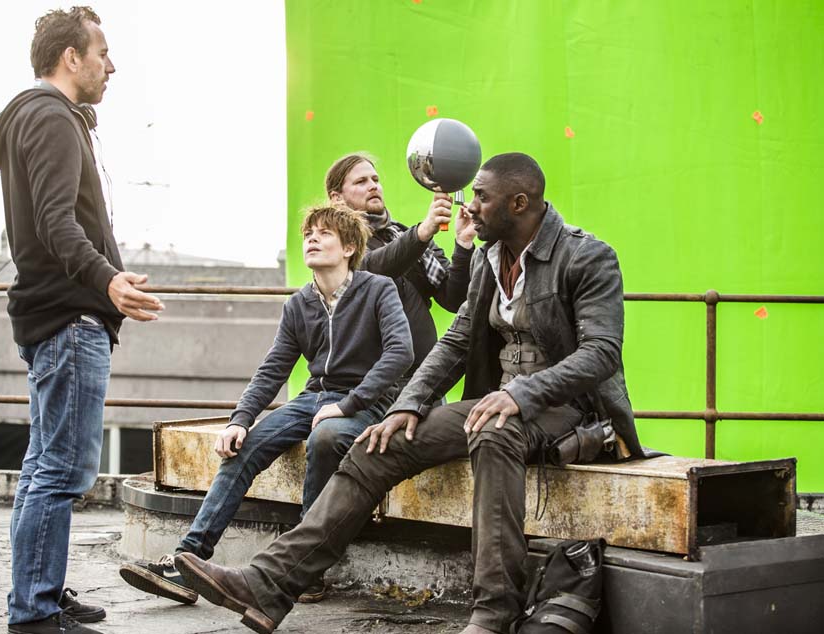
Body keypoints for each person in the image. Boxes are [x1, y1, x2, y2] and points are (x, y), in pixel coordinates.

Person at [170, 153, 646, 634]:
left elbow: (601, 352)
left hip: (571, 409)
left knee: (494, 432)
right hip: (496, 402)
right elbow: (457, 341)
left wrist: (523, 395)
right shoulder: (489, 257)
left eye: (482, 197)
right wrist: (406, 406)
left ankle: (494, 612)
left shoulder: (586, 255)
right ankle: (268, 584)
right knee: (376, 444)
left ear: (518, 203)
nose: (469, 206)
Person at [119, 205, 414, 606]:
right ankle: (187, 561)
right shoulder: (298, 304)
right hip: (313, 399)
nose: (312, 238)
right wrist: (239, 420)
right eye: (308, 233)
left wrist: (349, 404)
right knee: (244, 446)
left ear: (348, 247)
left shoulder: (378, 289)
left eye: (324, 233)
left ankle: (304, 569)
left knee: (326, 438)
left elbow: (400, 352)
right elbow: (273, 368)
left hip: (366, 402)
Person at [0, 7, 164, 634]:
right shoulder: (53, 118)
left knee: (43, 465)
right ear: (71, 57)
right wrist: (107, 280)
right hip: (68, 317)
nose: (112, 66)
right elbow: (57, 224)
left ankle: (41, 593)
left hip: (51, 315)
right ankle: (34, 610)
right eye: (102, 53)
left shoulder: (31, 118)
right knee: (61, 470)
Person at [326, 153, 476, 376]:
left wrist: (463, 243)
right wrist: (423, 232)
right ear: (337, 198)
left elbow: (454, 299)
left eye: (375, 179)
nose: (373, 186)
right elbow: (371, 269)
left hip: (421, 376)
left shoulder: (404, 236)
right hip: (371, 379)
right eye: (361, 182)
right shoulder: (334, 242)